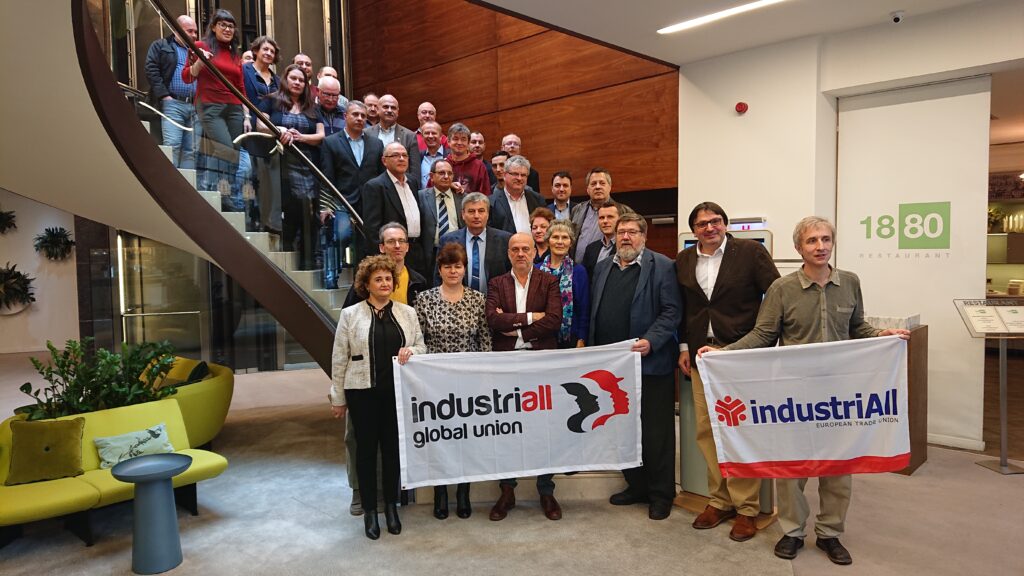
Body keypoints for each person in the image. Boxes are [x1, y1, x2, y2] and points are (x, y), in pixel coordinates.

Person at [697, 216, 910, 565]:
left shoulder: (850, 282)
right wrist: (724, 353)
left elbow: (857, 327)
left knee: (838, 467)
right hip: (794, 396)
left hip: (839, 395)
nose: (820, 246)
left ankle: (830, 533)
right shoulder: (782, 289)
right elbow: (763, 334)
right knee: (792, 470)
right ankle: (792, 531)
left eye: (826, 239)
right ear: (799, 248)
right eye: (812, 241)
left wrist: (880, 337)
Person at [676, 201, 780, 542]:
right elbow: (685, 307)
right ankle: (719, 501)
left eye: (716, 221)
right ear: (694, 230)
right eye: (702, 223)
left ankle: (747, 508)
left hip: (740, 355)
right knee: (707, 431)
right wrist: (684, 347)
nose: (710, 227)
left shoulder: (749, 253)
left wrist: (762, 341)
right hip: (701, 356)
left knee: (740, 431)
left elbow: (776, 296)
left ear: (725, 223)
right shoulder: (685, 259)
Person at [591, 213, 682, 521]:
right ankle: (637, 486)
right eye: (621, 232)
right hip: (614, 369)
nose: (626, 237)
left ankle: (661, 494)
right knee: (624, 429)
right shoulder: (603, 267)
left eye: (632, 232)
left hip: (651, 363)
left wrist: (651, 340)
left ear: (644, 236)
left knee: (656, 433)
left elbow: (671, 312)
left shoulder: (663, 266)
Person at [330, 255, 426, 540]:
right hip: (361, 394)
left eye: (388, 279)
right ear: (366, 284)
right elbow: (339, 357)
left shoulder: (407, 313)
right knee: (366, 451)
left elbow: (421, 346)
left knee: (393, 450)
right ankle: (370, 510)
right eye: (378, 279)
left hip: (396, 393)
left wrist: (412, 351)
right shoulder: (351, 315)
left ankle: (391, 507)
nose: (384, 283)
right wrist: (338, 397)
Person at [485, 233, 563, 521]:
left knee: (543, 428)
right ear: (508, 254)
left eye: (525, 249)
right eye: (515, 249)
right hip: (506, 365)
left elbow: (554, 319)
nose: (520, 254)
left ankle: (546, 491)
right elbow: (492, 319)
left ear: (534, 252)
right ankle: (507, 491)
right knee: (507, 428)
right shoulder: (497, 283)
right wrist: (532, 317)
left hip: (540, 363)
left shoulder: (549, 281)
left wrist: (517, 331)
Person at [415, 243, 491, 520]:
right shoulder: (424, 300)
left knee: (465, 439)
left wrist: (484, 378)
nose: (453, 271)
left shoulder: (477, 299)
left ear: (464, 268)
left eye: (457, 266)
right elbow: (418, 340)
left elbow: (484, 341)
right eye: (447, 266)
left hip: (468, 385)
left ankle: (463, 492)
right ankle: (440, 493)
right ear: (440, 269)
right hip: (435, 384)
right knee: (439, 438)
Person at [257, 64, 325, 268]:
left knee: (308, 216)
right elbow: (260, 125)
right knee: (288, 213)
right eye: (293, 78)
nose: (297, 83)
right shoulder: (271, 100)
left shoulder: (312, 107)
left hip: (307, 165)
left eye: (301, 80)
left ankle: (306, 263)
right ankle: (285, 263)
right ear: (285, 80)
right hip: (280, 163)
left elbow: (321, 136)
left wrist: (301, 137)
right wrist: (279, 129)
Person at [182, 9, 249, 207]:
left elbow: (241, 87)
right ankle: (211, 188)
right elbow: (187, 77)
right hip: (210, 105)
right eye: (223, 25)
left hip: (235, 108)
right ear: (213, 27)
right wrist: (200, 62)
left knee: (234, 153)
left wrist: (246, 115)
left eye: (231, 26)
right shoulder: (200, 46)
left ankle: (225, 194)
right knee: (225, 148)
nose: (227, 29)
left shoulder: (235, 54)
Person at [319, 100, 385, 285]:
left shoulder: (376, 144)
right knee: (341, 238)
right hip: (342, 202)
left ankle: (364, 283)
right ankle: (331, 280)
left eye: (363, 116)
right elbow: (327, 177)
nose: (360, 118)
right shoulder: (331, 142)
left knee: (368, 244)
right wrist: (325, 206)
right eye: (355, 114)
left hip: (369, 204)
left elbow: (381, 177)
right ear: (345, 116)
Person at [362, 142, 428, 280]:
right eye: (396, 155)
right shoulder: (375, 186)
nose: (401, 159)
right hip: (392, 253)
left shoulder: (412, 182)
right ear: (384, 161)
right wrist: (382, 260)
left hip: (416, 250)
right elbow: (372, 229)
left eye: (404, 155)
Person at [144, 14, 199, 169]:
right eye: (189, 31)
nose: (194, 35)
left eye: (195, 32)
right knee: (172, 146)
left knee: (192, 151)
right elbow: (151, 69)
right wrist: (164, 96)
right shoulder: (161, 45)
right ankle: (169, 183)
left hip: (195, 106)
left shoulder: (197, 52)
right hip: (173, 103)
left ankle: (186, 183)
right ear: (176, 30)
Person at [241, 35, 280, 232]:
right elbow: (240, 94)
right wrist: (246, 116)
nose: (268, 53)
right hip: (248, 126)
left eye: (272, 51)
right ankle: (249, 217)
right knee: (250, 173)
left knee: (267, 179)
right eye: (265, 49)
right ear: (255, 51)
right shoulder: (244, 70)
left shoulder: (277, 80)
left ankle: (266, 220)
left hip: (269, 131)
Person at [437, 193, 512, 293]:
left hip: (495, 298)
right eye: (471, 211)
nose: (476, 216)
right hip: (457, 299)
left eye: (481, 211)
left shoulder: (505, 240)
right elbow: (438, 276)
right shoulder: (448, 240)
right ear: (463, 214)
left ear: (488, 214)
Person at [537, 220, 589, 348]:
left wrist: (582, 338)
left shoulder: (579, 271)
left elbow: (584, 308)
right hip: (539, 337)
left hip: (570, 338)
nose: (560, 242)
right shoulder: (536, 270)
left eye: (565, 237)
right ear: (548, 241)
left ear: (571, 243)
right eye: (555, 237)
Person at [571, 168, 631, 262]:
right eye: (593, 184)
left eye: (602, 183)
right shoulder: (577, 210)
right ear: (588, 189)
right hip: (578, 267)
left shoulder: (624, 211)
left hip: (608, 267)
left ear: (610, 187)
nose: (597, 187)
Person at [365, 94, 422, 189]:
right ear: (378, 110)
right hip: (373, 188)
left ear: (398, 112)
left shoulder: (409, 136)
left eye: (393, 108)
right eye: (385, 107)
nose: (389, 110)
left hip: (401, 188)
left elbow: (415, 171)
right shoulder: (366, 133)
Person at [417, 159, 463, 270]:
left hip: (457, 251)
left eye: (450, 173)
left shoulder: (462, 197)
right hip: (430, 252)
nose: (446, 176)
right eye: (442, 173)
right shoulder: (420, 196)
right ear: (432, 176)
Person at [490, 156, 546, 234]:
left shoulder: (538, 200)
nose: (519, 178)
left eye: (523, 175)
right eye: (515, 174)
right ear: (505, 175)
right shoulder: (492, 202)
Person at [580, 200, 629, 277]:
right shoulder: (591, 249)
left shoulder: (627, 247)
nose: (605, 221)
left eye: (610, 217)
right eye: (601, 218)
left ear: (620, 220)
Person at [445, 123, 489, 195]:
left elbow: (485, 195)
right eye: (455, 139)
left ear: (468, 143)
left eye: (463, 139)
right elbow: (431, 191)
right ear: (448, 141)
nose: (459, 143)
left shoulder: (479, 166)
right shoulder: (442, 165)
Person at [418, 121, 447, 190]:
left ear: (441, 136)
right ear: (422, 136)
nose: (430, 136)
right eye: (427, 133)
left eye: (434, 133)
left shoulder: (450, 155)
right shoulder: (418, 156)